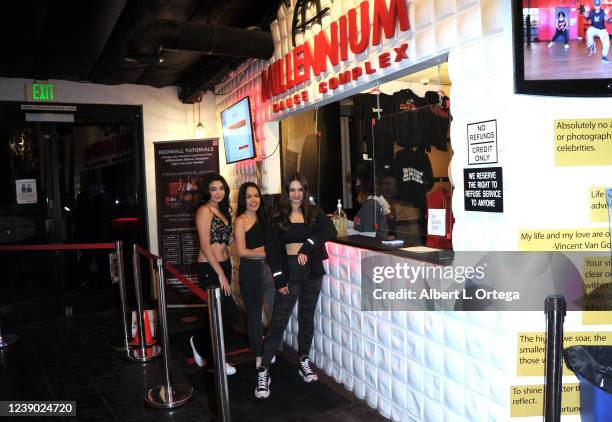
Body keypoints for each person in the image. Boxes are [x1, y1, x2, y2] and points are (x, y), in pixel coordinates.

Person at [255, 173, 337, 399]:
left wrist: (308, 246)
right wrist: (280, 278)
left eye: (300, 189)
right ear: (286, 192)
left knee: (307, 318)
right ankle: (263, 371)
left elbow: (331, 231)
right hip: (289, 273)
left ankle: (303, 360)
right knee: (278, 322)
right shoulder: (276, 214)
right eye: (292, 190)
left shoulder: (313, 211)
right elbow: (272, 249)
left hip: (311, 272)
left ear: (305, 191)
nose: (296, 194)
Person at [189, 173, 240, 375]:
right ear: (206, 191)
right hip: (210, 269)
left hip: (224, 265)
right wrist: (219, 273)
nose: (218, 192)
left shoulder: (222, 210)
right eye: (213, 189)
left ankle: (209, 352)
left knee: (221, 314)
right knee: (230, 313)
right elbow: (205, 245)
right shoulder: (204, 210)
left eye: (221, 188)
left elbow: (224, 242)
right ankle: (209, 352)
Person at [234, 182, 277, 368]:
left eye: (256, 195)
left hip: (267, 269)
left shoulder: (263, 219)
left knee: (274, 309)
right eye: (249, 196)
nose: (253, 200)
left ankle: (269, 348)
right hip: (250, 270)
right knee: (254, 314)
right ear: (243, 200)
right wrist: (266, 254)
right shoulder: (240, 221)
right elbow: (242, 251)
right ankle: (259, 354)